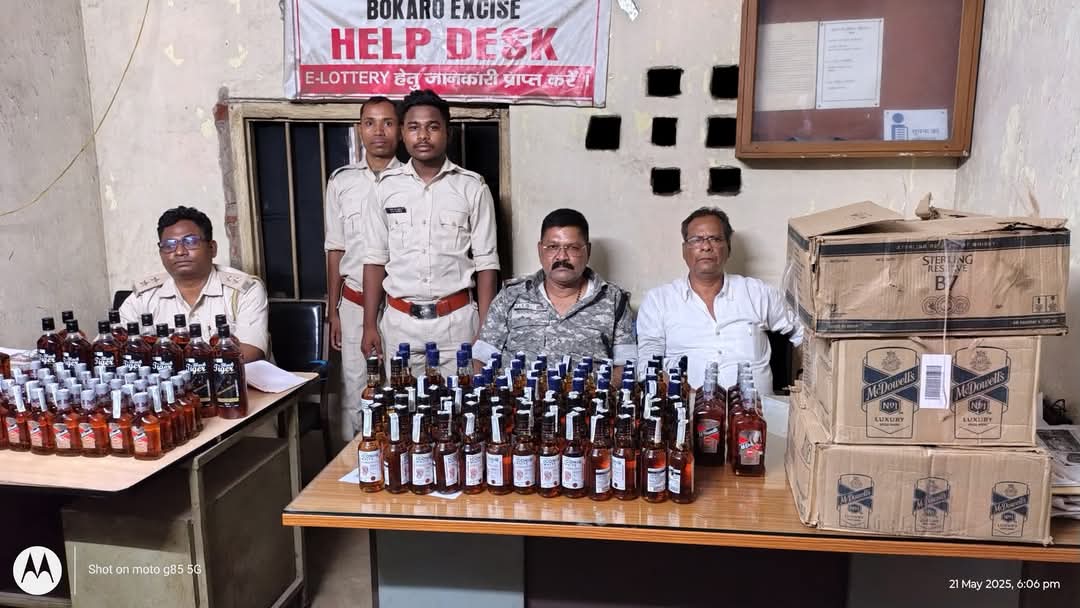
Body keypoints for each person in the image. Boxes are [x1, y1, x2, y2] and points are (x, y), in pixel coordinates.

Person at [360, 89, 500, 376]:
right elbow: (374, 260)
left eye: (432, 127)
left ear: (448, 132)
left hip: (457, 324)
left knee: (461, 402)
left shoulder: (472, 187)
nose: (423, 136)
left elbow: (487, 263)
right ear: (402, 133)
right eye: (414, 127)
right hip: (400, 325)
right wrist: (369, 325)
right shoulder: (385, 188)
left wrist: (486, 331)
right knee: (402, 402)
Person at [636, 207, 802, 392]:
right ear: (684, 250)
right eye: (696, 240)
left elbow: (804, 334)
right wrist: (679, 391)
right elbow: (647, 365)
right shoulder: (659, 301)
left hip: (756, 408)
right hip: (687, 406)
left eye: (715, 239)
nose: (706, 246)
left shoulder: (758, 293)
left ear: (728, 248)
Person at [324, 96, 402, 442]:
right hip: (354, 303)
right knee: (357, 391)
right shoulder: (342, 182)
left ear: (400, 129)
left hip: (399, 305)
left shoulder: (411, 180)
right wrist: (334, 312)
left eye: (388, 122)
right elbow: (335, 249)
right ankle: (356, 462)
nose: (378, 131)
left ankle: (396, 459)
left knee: (399, 389)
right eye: (370, 123)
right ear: (359, 129)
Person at [474, 208, 635, 372]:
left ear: (588, 251)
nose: (562, 257)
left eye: (573, 247)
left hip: (590, 389)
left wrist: (606, 388)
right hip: (517, 389)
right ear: (540, 250)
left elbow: (625, 366)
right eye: (552, 247)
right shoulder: (511, 295)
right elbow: (481, 360)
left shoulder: (614, 300)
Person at [120, 206, 268, 362]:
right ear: (161, 253)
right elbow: (115, 347)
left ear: (212, 248)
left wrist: (177, 362)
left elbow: (251, 352)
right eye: (169, 245)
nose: (179, 252)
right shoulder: (144, 296)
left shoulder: (244, 290)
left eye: (190, 242)